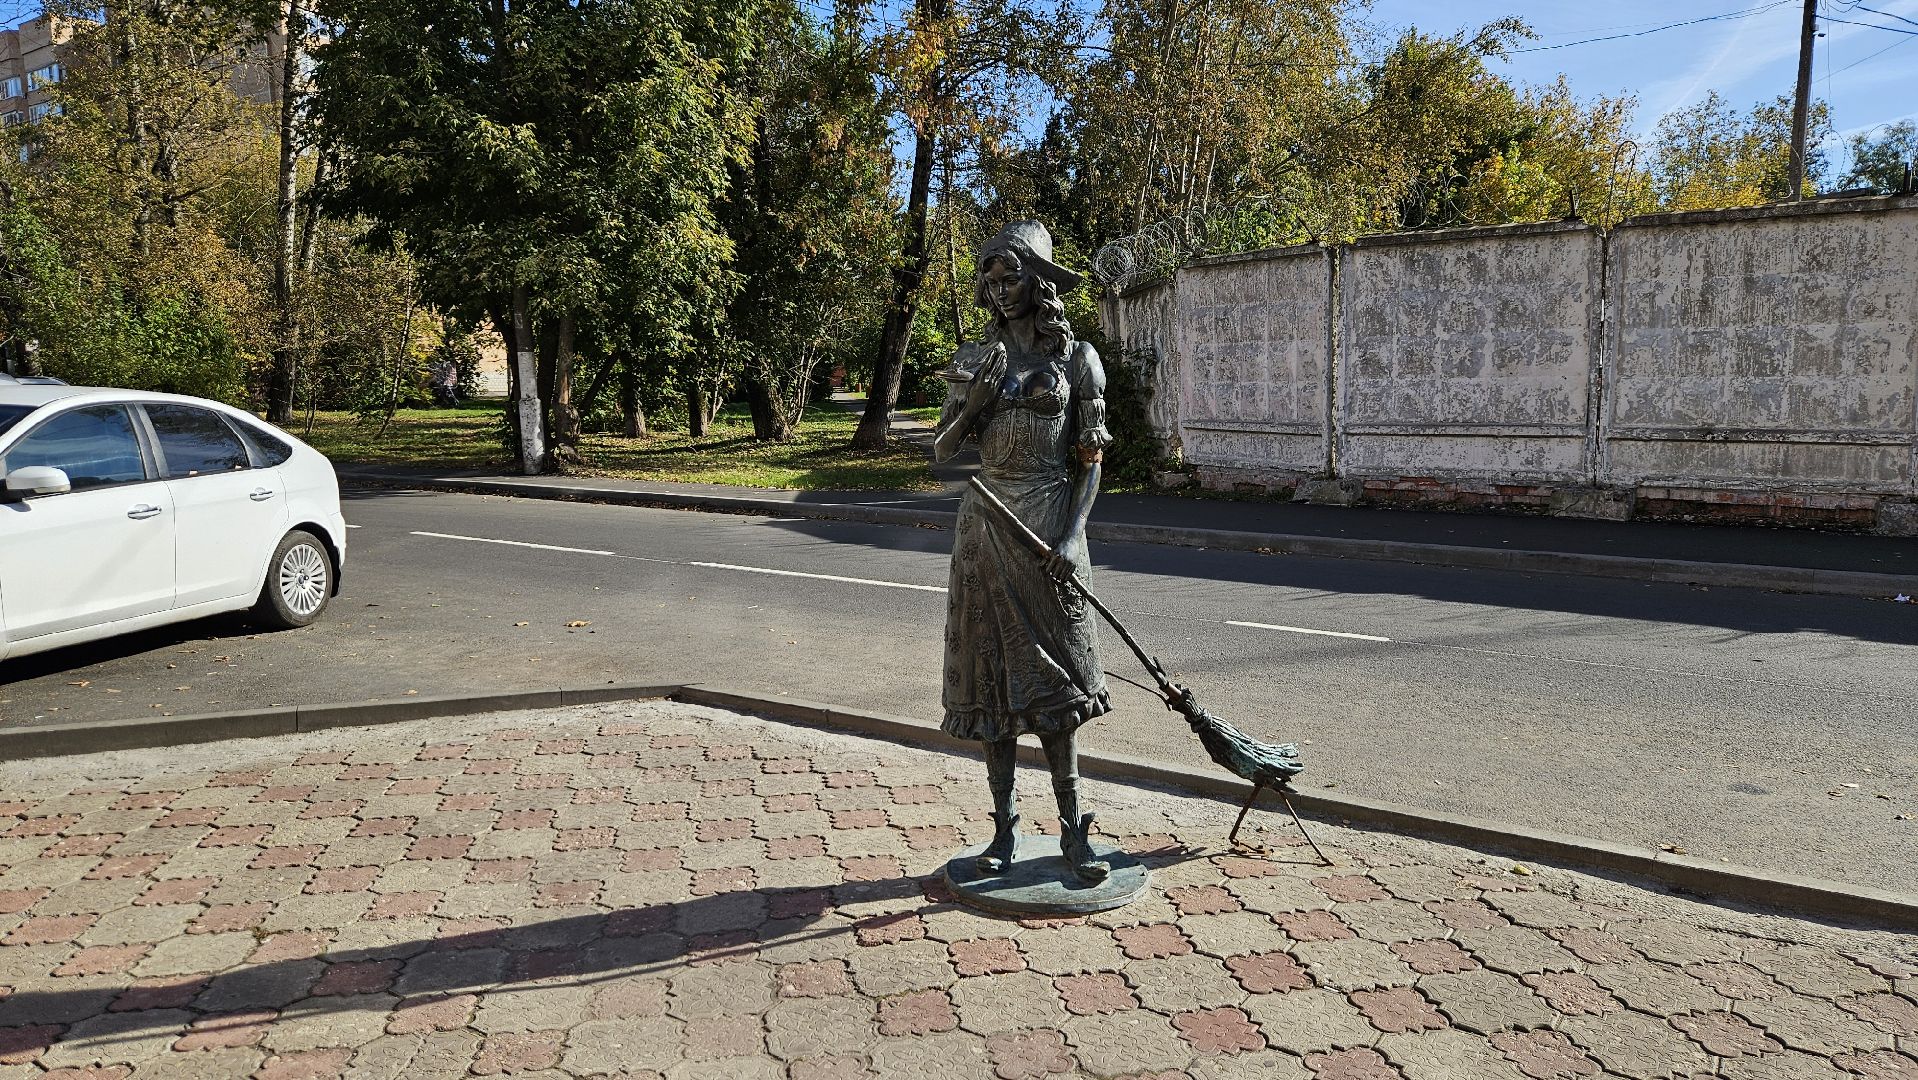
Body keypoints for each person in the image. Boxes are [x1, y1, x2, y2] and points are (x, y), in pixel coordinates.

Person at [934, 220, 1112, 884]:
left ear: (1039, 280)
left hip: (1051, 532)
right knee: (993, 686)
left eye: (1011, 274)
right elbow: (942, 452)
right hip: (985, 528)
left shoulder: (1078, 358)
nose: (999, 288)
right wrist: (973, 401)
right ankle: (1003, 834)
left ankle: (1073, 833)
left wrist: (1071, 536)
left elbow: (1091, 461)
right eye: (990, 277)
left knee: (1056, 690)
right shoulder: (974, 358)